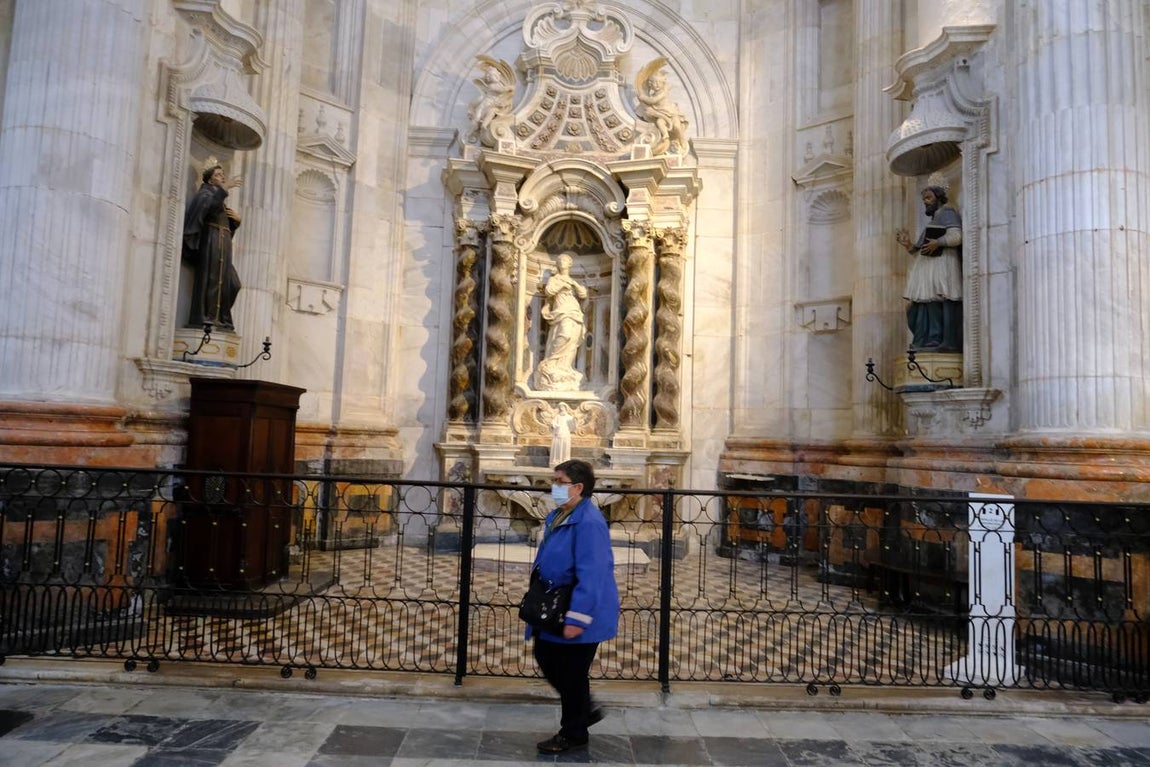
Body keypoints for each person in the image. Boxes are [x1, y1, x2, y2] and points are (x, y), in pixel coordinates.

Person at [526, 459, 619, 754]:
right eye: (553, 481)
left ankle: (574, 732)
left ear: (578, 487)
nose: (554, 487)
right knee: (548, 655)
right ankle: (584, 711)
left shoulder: (589, 522)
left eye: (559, 481)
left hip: (578, 607)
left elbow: (593, 572)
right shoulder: (560, 514)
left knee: (570, 671)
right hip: (556, 604)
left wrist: (578, 617)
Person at [895, 185, 962, 351]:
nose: (925, 202)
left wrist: (939, 242)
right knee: (925, 304)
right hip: (929, 267)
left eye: (928, 198)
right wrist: (908, 244)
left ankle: (940, 339)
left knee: (940, 300)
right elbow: (919, 250)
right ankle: (929, 339)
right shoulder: (934, 220)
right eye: (924, 199)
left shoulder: (947, 213)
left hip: (942, 263)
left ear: (938, 197)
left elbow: (957, 236)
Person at [183, 160, 243, 330]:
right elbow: (207, 210)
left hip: (223, 241)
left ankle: (222, 318)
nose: (222, 177)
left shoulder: (219, 200)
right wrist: (225, 189)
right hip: (211, 241)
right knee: (212, 278)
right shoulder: (205, 195)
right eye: (218, 175)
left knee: (232, 283)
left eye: (223, 174)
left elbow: (224, 222)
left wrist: (236, 223)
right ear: (209, 180)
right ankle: (207, 319)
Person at [535, 253, 588, 390]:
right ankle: (551, 363)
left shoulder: (572, 281)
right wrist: (562, 285)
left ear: (570, 264)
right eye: (559, 260)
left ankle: (566, 367)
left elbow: (583, 295)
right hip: (561, 310)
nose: (561, 262)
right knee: (565, 334)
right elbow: (549, 291)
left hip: (574, 310)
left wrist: (575, 285)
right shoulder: (554, 279)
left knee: (573, 340)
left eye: (564, 260)